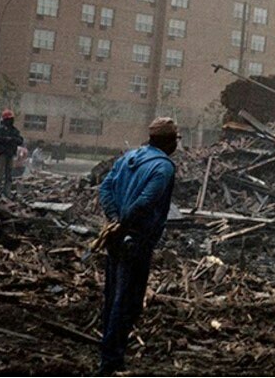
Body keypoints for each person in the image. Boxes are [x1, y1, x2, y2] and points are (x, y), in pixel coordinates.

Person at [97, 117, 179, 376]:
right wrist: (124, 223)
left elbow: (105, 188)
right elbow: (146, 201)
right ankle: (110, 361)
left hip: (115, 238)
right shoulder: (163, 167)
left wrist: (113, 220)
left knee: (113, 298)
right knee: (128, 302)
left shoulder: (128, 158)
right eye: (175, 140)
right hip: (136, 241)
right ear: (168, 141)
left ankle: (111, 354)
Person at [0, 110, 23, 196]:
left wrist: (11, 139)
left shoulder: (14, 131)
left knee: (9, 175)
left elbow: (20, 140)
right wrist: (3, 150)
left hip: (10, 155)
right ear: (4, 120)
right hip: (1, 156)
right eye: (9, 119)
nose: (11, 121)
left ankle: (7, 192)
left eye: (11, 119)